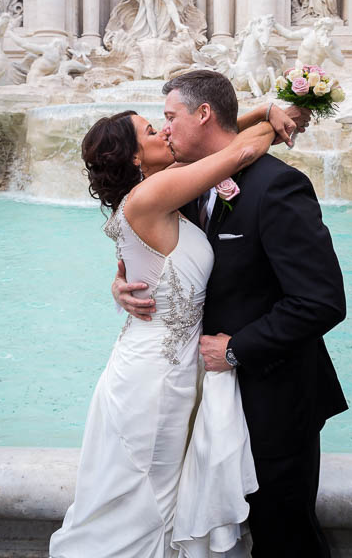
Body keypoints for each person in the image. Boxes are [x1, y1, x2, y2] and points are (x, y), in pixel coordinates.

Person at [49, 90, 307, 558]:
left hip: (160, 361)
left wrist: (258, 111)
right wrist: (275, 113)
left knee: (155, 498)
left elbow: (216, 135)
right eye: (152, 130)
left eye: (164, 121)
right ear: (133, 155)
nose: (165, 130)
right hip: (157, 376)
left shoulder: (162, 185)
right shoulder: (154, 192)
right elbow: (241, 150)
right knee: (151, 500)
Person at [114, 70, 347, 558]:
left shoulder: (277, 185)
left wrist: (238, 349)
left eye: (170, 117)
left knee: (284, 533)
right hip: (205, 399)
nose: (166, 130)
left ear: (202, 115)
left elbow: (321, 300)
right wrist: (123, 285)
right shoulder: (185, 188)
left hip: (274, 397)